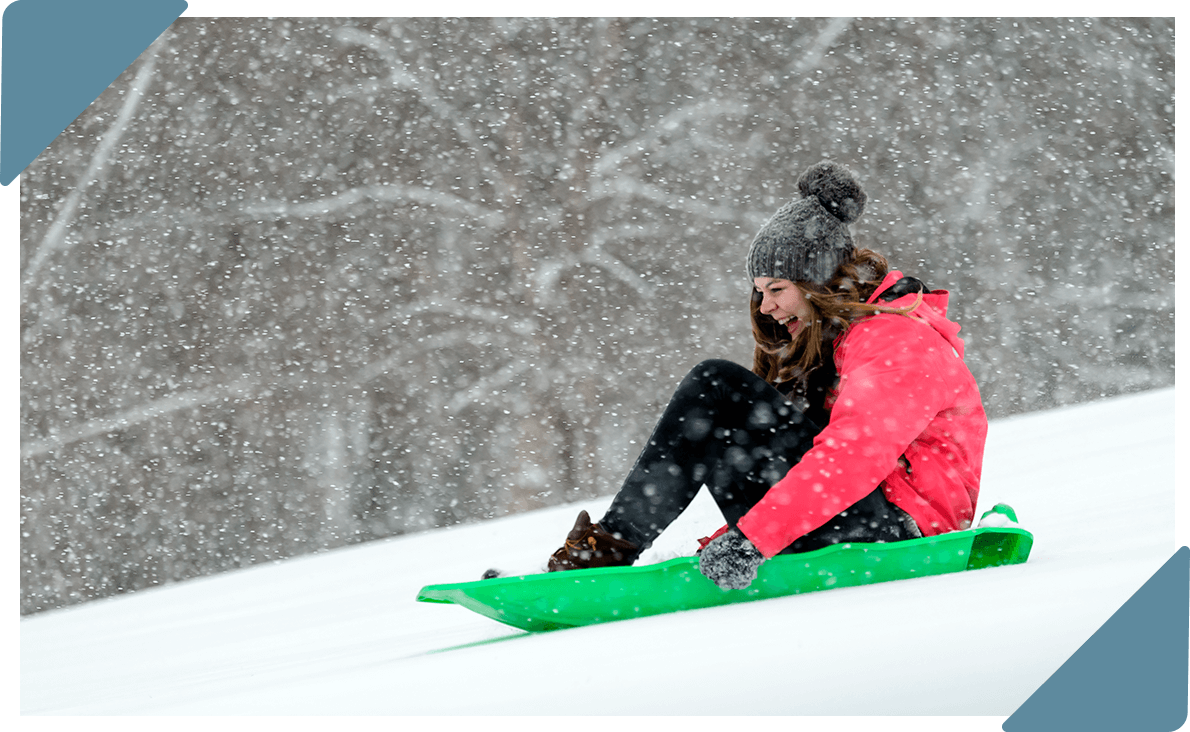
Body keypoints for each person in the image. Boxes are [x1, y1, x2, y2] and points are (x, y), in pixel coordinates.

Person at [545, 160, 988, 590]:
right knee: (724, 403)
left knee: (716, 387)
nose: (766, 307)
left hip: (900, 535)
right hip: (866, 519)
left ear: (818, 283)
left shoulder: (896, 340)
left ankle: (608, 547)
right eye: (760, 292)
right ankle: (608, 550)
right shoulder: (843, 343)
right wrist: (733, 542)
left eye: (777, 289)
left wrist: (753, 540)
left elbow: (851, 458)